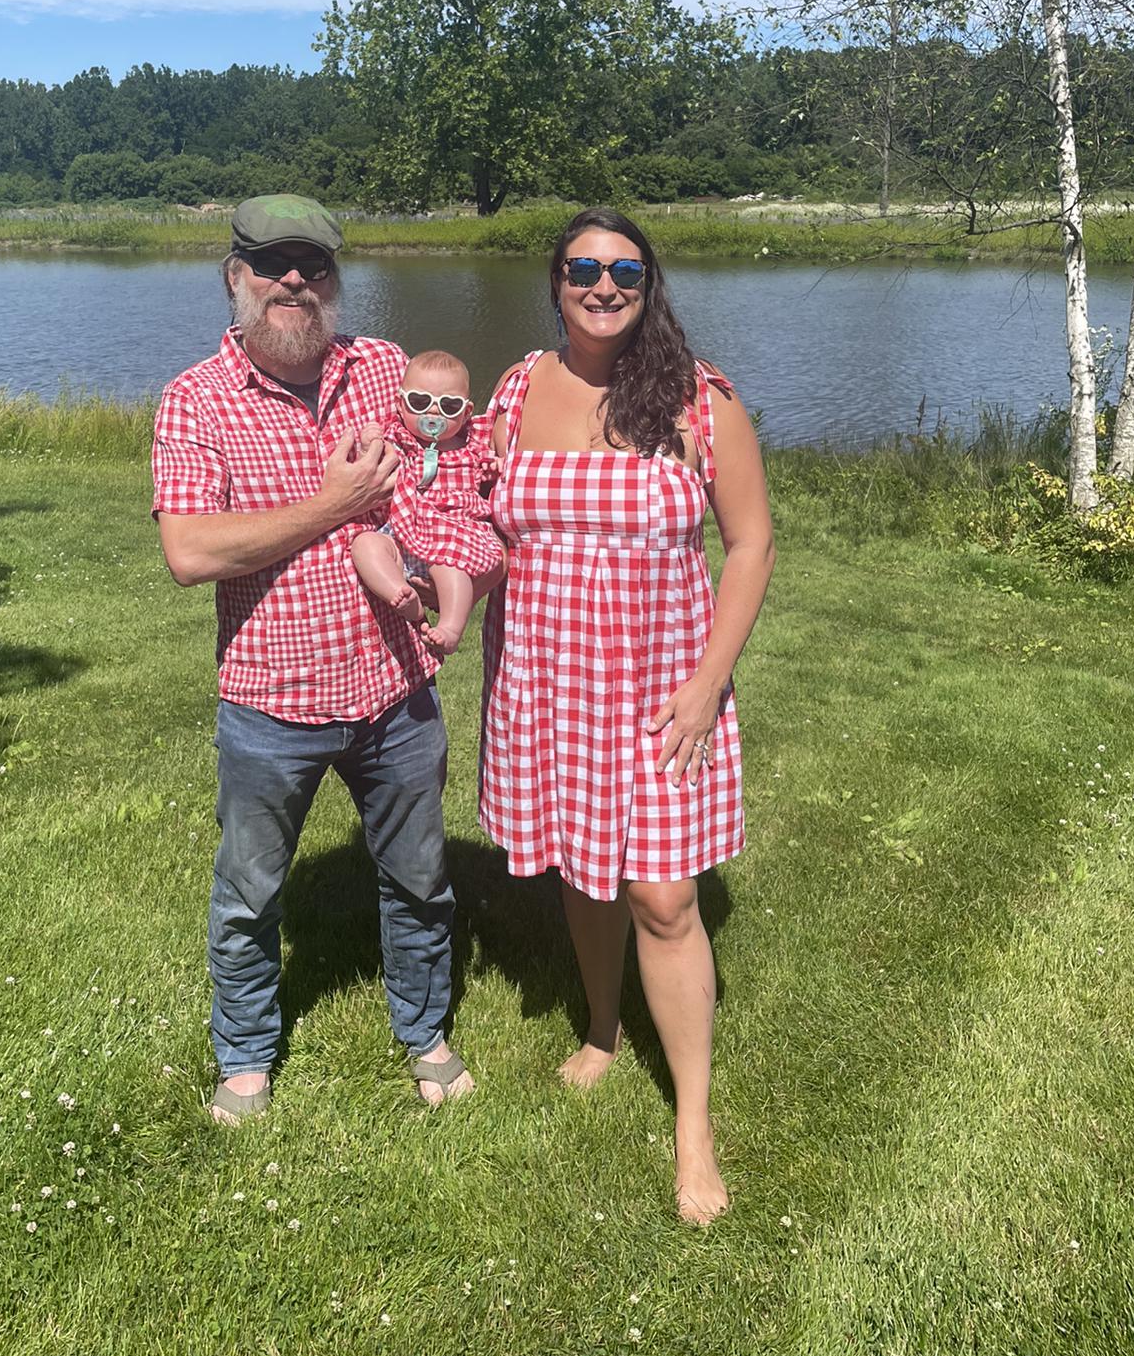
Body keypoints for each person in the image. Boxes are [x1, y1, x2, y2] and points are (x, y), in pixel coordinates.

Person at [151, 194, 479, 1120]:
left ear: (337, 282)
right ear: (236, 279)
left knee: (420, 879)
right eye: (272, 263)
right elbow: (191, 553)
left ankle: (424, 1031)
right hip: (269, 700)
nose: (295, 279)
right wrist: (332, 507)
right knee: (250, 893)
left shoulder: (381, 369)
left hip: (395, 688)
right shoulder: (195, 398)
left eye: (315, 265)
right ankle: (245, 1054)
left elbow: (465, 446)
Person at [480, 207, 775, 1224]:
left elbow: (751, 544)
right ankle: (604, 1027)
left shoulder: (699, 400)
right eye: (583, 267)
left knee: (663, 896)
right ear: (554, 279)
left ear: (650, 286)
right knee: (582, 865)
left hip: (661, 691)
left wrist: (707, 681)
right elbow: (463, 504)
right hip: (548, 683)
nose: (603, 285)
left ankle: (693, 1121)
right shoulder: (515, 390)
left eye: (625, 270)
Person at [349, 349, 503, 656]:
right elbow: (371, 465)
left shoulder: (471, 445)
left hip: (452, 533)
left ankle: (451, 628)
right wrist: (370, 443)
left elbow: (490, 466)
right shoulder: (400, 439)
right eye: (420, 403)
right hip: (405, 530)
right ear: (400, 405)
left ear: (466, 411)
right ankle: (400, 593)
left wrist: (495, 465)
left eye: (448, 406)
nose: (433, 414)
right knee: (365, 544)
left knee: (451, 569)